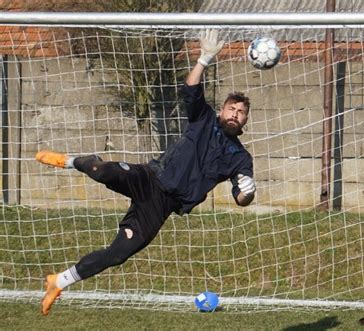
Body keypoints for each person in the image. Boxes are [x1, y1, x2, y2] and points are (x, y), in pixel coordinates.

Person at [36, 29, 256, 316]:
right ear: (221, 111)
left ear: (245, 121)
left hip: (161, 205)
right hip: (149, 177)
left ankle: (59, 281)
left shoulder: (241, 158)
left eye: (241, 112)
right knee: (100, 169)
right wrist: (204, 58)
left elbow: (241, 198)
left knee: (118, 254)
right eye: (231, 108)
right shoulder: (203, 119)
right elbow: (190, 89)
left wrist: (248, 191)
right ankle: (68, 161)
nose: (235, 113)